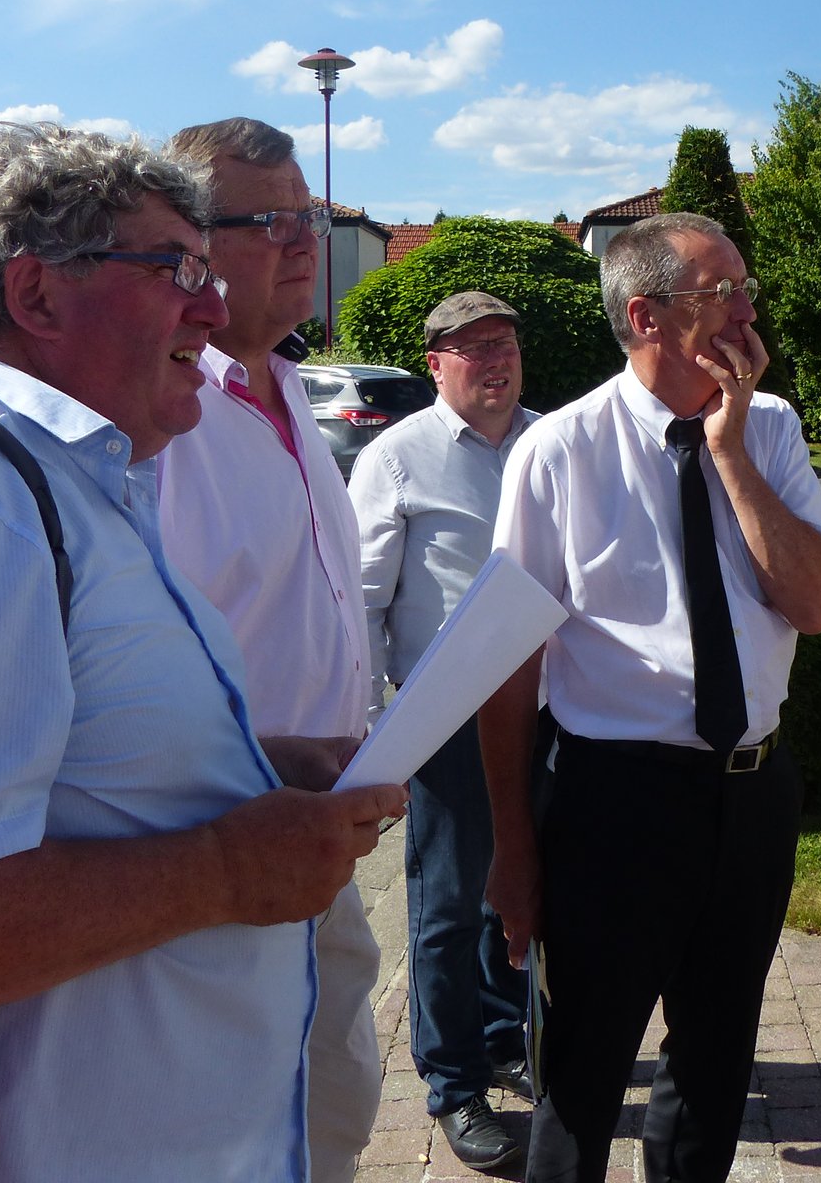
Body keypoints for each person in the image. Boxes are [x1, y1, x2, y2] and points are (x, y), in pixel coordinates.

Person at [0, 124, 407, 1183]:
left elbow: (62, 774)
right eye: (173, 269)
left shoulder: (58, 484)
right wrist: (226, 868)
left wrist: (257, 768)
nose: (211, 306)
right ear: (37, 295)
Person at [480, 212, 821, 1183]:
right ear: (645, 315)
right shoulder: (558, 452)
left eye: (743, 287)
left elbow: (812, 604)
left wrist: (727, 452)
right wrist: (513, 849)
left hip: (751, 796)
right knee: (582, 1073)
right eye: (721, 291)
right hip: (613, 805)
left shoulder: (768, 430)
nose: (747, 307)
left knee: (714, 1067)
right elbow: (508, 671)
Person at [156, 116, 384, 1183]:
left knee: (330, 1104)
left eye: (311, 217)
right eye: (271, 220)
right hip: (206, 852)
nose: (304, 241)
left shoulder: (295, 392)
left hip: (321, 838)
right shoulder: (159, 416)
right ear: (189, 246)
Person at [350, 291, 538, 1171]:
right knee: (450, 903)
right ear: (435, 364)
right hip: (450, 719)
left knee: (523, 886)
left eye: (504, 344)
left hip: (552, 714)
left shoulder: (550, 442)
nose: (494, 361)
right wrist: (380, 721)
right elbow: (362, 599)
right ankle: (454, 1083)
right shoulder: (396, 458)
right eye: (472, 350)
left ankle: (505, 1035)